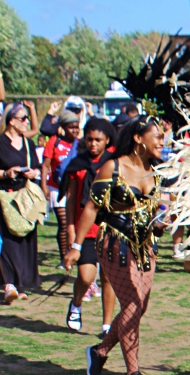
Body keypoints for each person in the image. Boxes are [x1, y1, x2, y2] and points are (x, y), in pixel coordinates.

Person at [64, 115, 165, 375]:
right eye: (156, 136)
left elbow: (155, 212)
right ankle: (132, 374)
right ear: (138, 137)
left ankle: (100, 351)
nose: (162, 141)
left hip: (145, 247)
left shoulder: (156, 172)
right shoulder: (113, 167)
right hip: (115, 244)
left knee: (139, 307)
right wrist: (75, 245)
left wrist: (161, 222)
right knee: (132, 303)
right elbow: (91, 209)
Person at [0, 103, 42, 303]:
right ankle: (9, 284)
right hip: (3, 197)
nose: (27, 122)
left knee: (26, 239)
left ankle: (22, 283)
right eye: (23, 118)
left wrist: (34, 173)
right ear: (11, 121)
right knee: (6, 240)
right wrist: (6, 173)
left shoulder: (28, 143)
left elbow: (38, 167)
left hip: (26, 197)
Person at [62, 118, 118, 335]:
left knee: (108, 277)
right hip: (84, 229)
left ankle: (106, 326)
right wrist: (70, 228)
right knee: (86, 277)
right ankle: (76, 303)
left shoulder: (114, 164)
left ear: (107, 140)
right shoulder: (78, 164)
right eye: (89, 139)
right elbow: (71, 199)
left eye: (98, 140)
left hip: (108, 227)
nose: (93, 144)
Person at [41, 110, 81, 266]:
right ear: (64, 127)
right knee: (63, 223)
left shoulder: (81, 143)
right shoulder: (54, 142)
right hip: (56, 188)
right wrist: (44, 186)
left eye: (77, 127)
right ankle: (64, 256)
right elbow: (45, 165)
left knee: (73, 224)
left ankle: (73, 253)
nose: (74, 130)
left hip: (74, 188)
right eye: (71, 127)